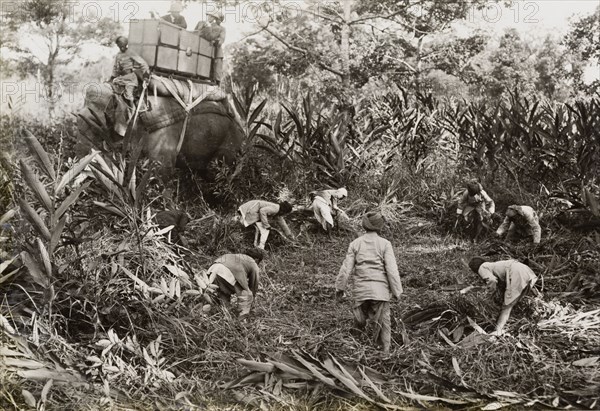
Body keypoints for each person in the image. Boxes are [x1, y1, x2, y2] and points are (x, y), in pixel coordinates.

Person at [335, 211, 403, 356]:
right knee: (384, 323)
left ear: (364, 225)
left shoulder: (355, 244)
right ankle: (385, 352)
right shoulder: (385, 244)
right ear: (380, 227)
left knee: (359, 320)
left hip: (361, 290)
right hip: (380, 291)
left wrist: (340, 288)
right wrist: (397, 291)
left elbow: (346, 268)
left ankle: (354, 348)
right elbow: (391, 269)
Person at [468, 257, 538, 335]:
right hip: (526, 271)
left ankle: (498, 330)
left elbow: (492, 280)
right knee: (512, 302)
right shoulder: (491, 265)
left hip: (516, 273)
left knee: (507, 306)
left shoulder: (481, 267)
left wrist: (489, 295)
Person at [207, 249, 264, 316]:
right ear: (257, 259)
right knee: (246, 295)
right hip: (226, 271)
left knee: (224, 292)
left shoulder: (238, 256)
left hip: (213, 269)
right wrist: (251, 299)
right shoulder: (253, 262)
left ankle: (225, 314)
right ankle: (242, 319)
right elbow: (254, 284)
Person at [194, 11, 226, 84]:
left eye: (219, 19)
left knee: (215, 68)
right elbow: (195, 33)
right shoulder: (202, 23)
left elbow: (220, 39)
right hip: (201, 48)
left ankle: (214, 82)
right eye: (209, 16)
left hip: (215, 50)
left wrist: (217, 41)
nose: (209, 17)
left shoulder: (220, 28)